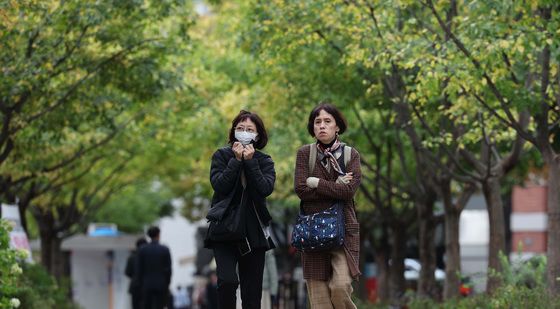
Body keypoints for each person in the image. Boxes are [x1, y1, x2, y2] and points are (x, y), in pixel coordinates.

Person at [204, 110, 276, 309]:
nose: (244, 132)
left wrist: (251, 162)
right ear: (233, 131)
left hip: (253, 232)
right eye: (240, 128)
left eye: (250, 129)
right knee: (227, 282)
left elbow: (264, 189)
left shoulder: (265, 160)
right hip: (224, 229)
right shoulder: (221, 155)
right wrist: (235, 162)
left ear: (258, 135)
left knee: (252, 294)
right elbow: (219, 186)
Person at [294, 102, 361, 309]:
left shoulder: (351, 155)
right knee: (320, 301)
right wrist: (335, 186)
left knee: (341, 288)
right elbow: (301, 190)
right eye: (317, 122)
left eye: (327, 121)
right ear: (312, 127)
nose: (322, 126)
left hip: (343, 232)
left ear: (337, 126)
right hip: (312, 233)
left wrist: (316, 183)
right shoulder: (305, 153)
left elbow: (349, 192)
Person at [136, 226, 172, 309]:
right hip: (161, 284)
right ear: (158, 234)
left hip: (146, 284)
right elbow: (168, 269)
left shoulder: (142, 250)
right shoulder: (164, 249)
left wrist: (141, 284)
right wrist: (167, 283)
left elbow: (139, 269)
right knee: (159, 306)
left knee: (147, 306)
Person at [126, 237, 148, 309]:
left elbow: (127, 272)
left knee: (135, 306)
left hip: (135, 286)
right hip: (146, 286)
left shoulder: (132, 257)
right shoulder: (148, 257)